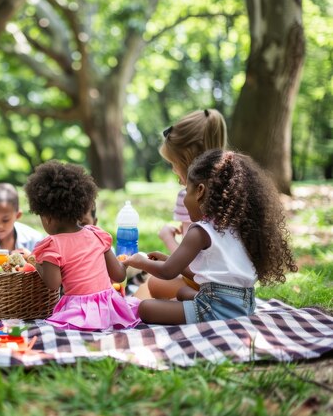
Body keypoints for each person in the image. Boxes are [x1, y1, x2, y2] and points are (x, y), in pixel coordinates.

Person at [124, 149, 298, 324]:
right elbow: (205, 273)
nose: (184, 199)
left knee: (145, 308)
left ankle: (204, 314)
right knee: (182, 293)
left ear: (199, 191)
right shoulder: (238, 228)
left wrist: (140, 262)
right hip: (244, 305)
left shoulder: (200, 231)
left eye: (187, 190)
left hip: (215, 308)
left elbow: (167, 272)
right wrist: (168, 259)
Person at [25, 160, 140, 331]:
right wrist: (125, 263)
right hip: (109, 308)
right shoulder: (97, 234)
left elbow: (53, 284)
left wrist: (36, 264)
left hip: (79, 312)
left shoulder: (52, 245)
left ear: (47, 217)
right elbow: (118, 275)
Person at [138, 109, 228, 300]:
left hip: (203, 285)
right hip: (234, 287)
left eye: (173, 163)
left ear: (187, 160)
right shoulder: (233, 194)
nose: (173, 169)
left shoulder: (191, 199)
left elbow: (188, 264)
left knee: (151, 283)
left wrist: (167, 238)